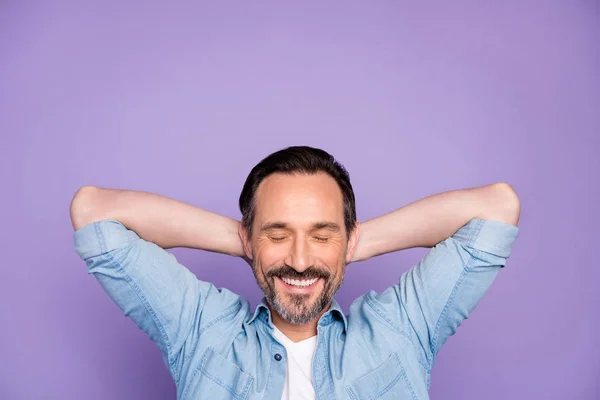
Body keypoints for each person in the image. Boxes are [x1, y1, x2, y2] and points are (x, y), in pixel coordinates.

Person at [70, 145, 520, 400]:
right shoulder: (201, 331)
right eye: (278, 234)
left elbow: (497, 207)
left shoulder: (401, 328)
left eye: (321, 236)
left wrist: (347, 245)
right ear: (249, 239)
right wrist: (252, 242)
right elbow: (93, 213)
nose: (301, 261)